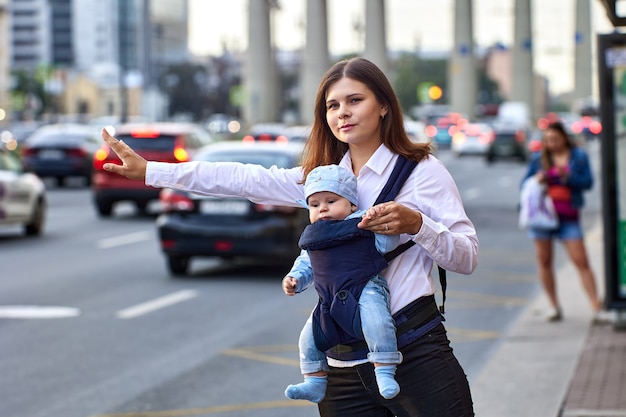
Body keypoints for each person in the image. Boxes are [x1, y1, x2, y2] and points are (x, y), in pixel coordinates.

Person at [100, 57, 478, 417]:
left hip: (415, 351)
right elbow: (242, 179)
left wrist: (417, 225)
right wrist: (153, 172)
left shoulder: (423, 172)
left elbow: (466, 257)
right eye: (332, 105)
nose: (342, 112)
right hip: (341, 361)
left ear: (383, 106)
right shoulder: (322, 179)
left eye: (355, 100)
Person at [283, 164, 403, 403]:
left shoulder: (362, 223)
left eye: (331, 201)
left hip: (365, 287)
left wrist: (384, 226)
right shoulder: (315, 235)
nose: (323, 209)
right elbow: (306, 262)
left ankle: (385, 370)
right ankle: (314, 380)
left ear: (351, 204)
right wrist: (294, 279)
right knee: (308, 338)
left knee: (377, 323)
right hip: (329, 298)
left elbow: (387, 246)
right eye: (314, 205)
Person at [521, 121, 605, 323]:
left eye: (556, 139)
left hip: (568, 216)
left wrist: (569, 177)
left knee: (581, 260)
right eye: (548, 140)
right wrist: (538, 179)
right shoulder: (538, 159)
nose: (553, 144)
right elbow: (524, 184)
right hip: (542, 218)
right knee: (544, 261)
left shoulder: (578, 156)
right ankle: (554, 306)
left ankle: (596, 306)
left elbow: (588, 182)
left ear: (564, 138)